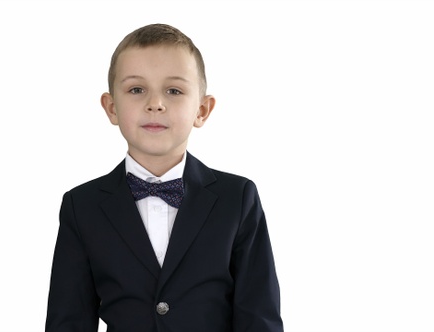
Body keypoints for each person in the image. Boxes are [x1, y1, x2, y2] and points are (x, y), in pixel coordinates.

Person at [46, 23, 283, 332]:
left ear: (202, 110)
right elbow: (68, 322)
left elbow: (259, 318)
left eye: (174, 90)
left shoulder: (237, 198)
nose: (155, 103)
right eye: (136, 89)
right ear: (111, 107)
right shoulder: (82, 205)